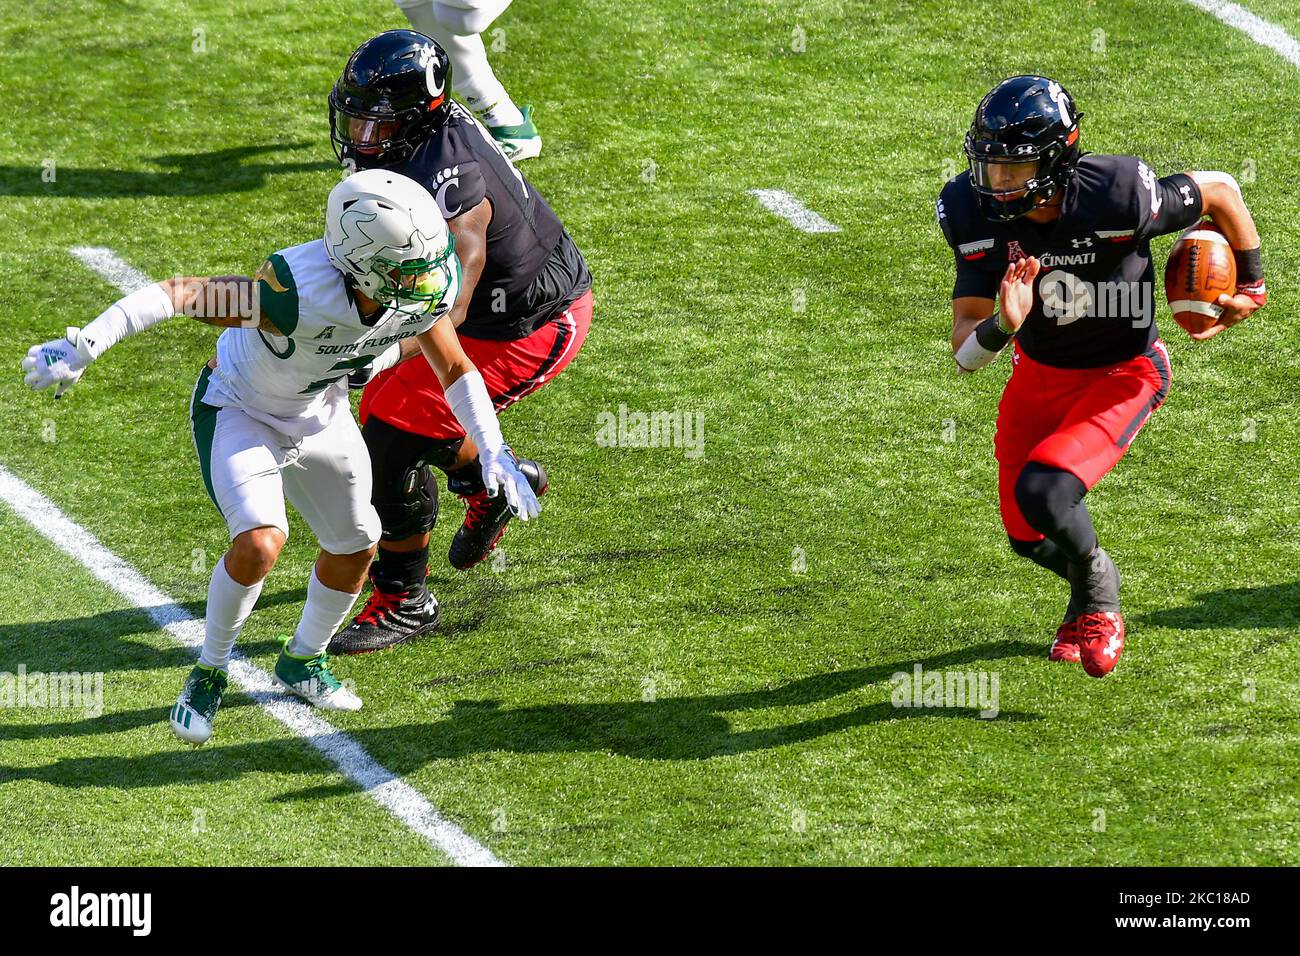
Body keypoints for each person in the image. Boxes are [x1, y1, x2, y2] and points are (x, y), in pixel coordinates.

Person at [21, 169, 539, 742]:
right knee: (261, 540)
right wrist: (84, 343)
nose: (425, 279)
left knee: (358, 543)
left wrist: (491, 448)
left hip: (320, 411)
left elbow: (454, 367)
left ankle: (302, 661)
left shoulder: (410, 284)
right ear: (360, 261)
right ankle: (210, 669)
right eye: (406, 268)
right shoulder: (294, 290)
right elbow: (178, 294)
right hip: (240, 409)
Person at [937, 75, 1266, 677]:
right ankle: (1085, 584)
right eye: (991, 166)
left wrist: (1252, 282)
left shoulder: (1117, 195)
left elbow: (1220, 189)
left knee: (1046, 493)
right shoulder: (968, 210)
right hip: (1038, 371)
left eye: (1014, 168)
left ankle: (1099, 594)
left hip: (1125, 371)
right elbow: (964, 350)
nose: (997, 183)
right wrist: (1004, 326)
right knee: (1024, 532)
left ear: (1060, 156)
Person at [327, 30, 592, 654]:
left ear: (421, 114)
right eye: (358, 118)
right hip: (488, 303)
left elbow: (449, 304)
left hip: (528, 321)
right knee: (384, 414)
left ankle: (405, 599)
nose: (362, 136)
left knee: (386, 439)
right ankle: (485, 485)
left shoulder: (453, 187)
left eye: (378, 123)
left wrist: (375, 351)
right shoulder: (424, 132)